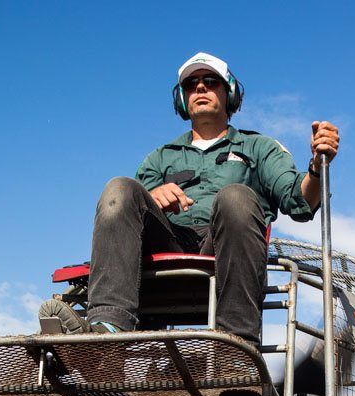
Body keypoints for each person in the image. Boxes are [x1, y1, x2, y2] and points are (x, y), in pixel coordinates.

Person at [41, 52, 339, 345]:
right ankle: (105, 332)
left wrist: (316, 166)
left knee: (235, 197)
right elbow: (129, 211)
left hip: (226, 252)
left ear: (230, 93)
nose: (200, 87)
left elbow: (299, 204)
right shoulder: (160, 157)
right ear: (181, 98)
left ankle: (235, 345)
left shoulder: (259, 147)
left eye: (211, 81)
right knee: (119, 189)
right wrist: (153, 197)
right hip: (165, 252)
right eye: (190, 84)